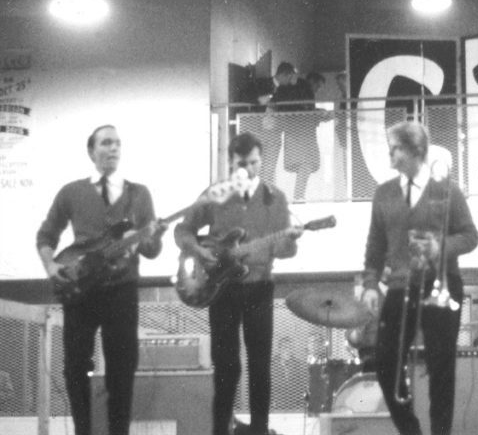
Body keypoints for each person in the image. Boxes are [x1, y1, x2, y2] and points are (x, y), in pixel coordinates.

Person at [36, 125, 166, 435]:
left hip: (121, 291)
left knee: (122, 369)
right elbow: (46, 234)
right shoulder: (71, 191)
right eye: (106, 143)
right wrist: (51, 266)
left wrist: (149, 237)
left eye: (118, 143)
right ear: (91, 152)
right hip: (80, 289)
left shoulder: (139, 194)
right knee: (74, 367)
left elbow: (152, 251)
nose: (113, 148)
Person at [174, 132, 303, 435]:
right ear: (230, 162)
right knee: (226, 367)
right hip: (221, 288)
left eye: (255, 162)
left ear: (262, 161)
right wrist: (200, 252)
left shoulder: (276, 198)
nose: (249, 168)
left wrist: (290, 240)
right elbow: (183, 230)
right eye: (242, 163)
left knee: (260, 367)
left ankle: (260, 430)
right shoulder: (216, 193)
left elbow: (286, 251)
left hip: (259, 287)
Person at [361, 121, 478, 435]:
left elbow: (470, 236)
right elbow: (375, 246)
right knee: (385, 363)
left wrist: (441, 247)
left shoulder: (448, 190)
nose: (390, 155)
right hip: (401, 286)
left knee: (441, 368)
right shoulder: (383, 193)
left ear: (416, 151)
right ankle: (410, 430)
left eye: (396, 148)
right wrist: (371, 284)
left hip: (442, 282)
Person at [268, 62, 320, 201]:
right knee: (305, 165)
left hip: (296, 131)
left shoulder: (289, 88)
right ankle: (298, 198)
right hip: (299, 131)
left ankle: (298, 198)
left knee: (305, 166)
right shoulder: (293, 87)